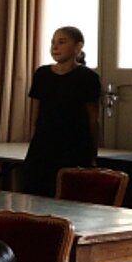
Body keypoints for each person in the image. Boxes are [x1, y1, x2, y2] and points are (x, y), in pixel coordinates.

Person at [22, 27, 102, 196]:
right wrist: (33, 140)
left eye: (62, 42)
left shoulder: (88, 78)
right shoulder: (42, 74)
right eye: (53, 42)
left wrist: (92, 155)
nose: (55, 47)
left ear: (78, 46)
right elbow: (36, 112)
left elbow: (93, 118)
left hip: (73, 146)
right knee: (36, 194)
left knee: (69, 195)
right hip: (43, 146)